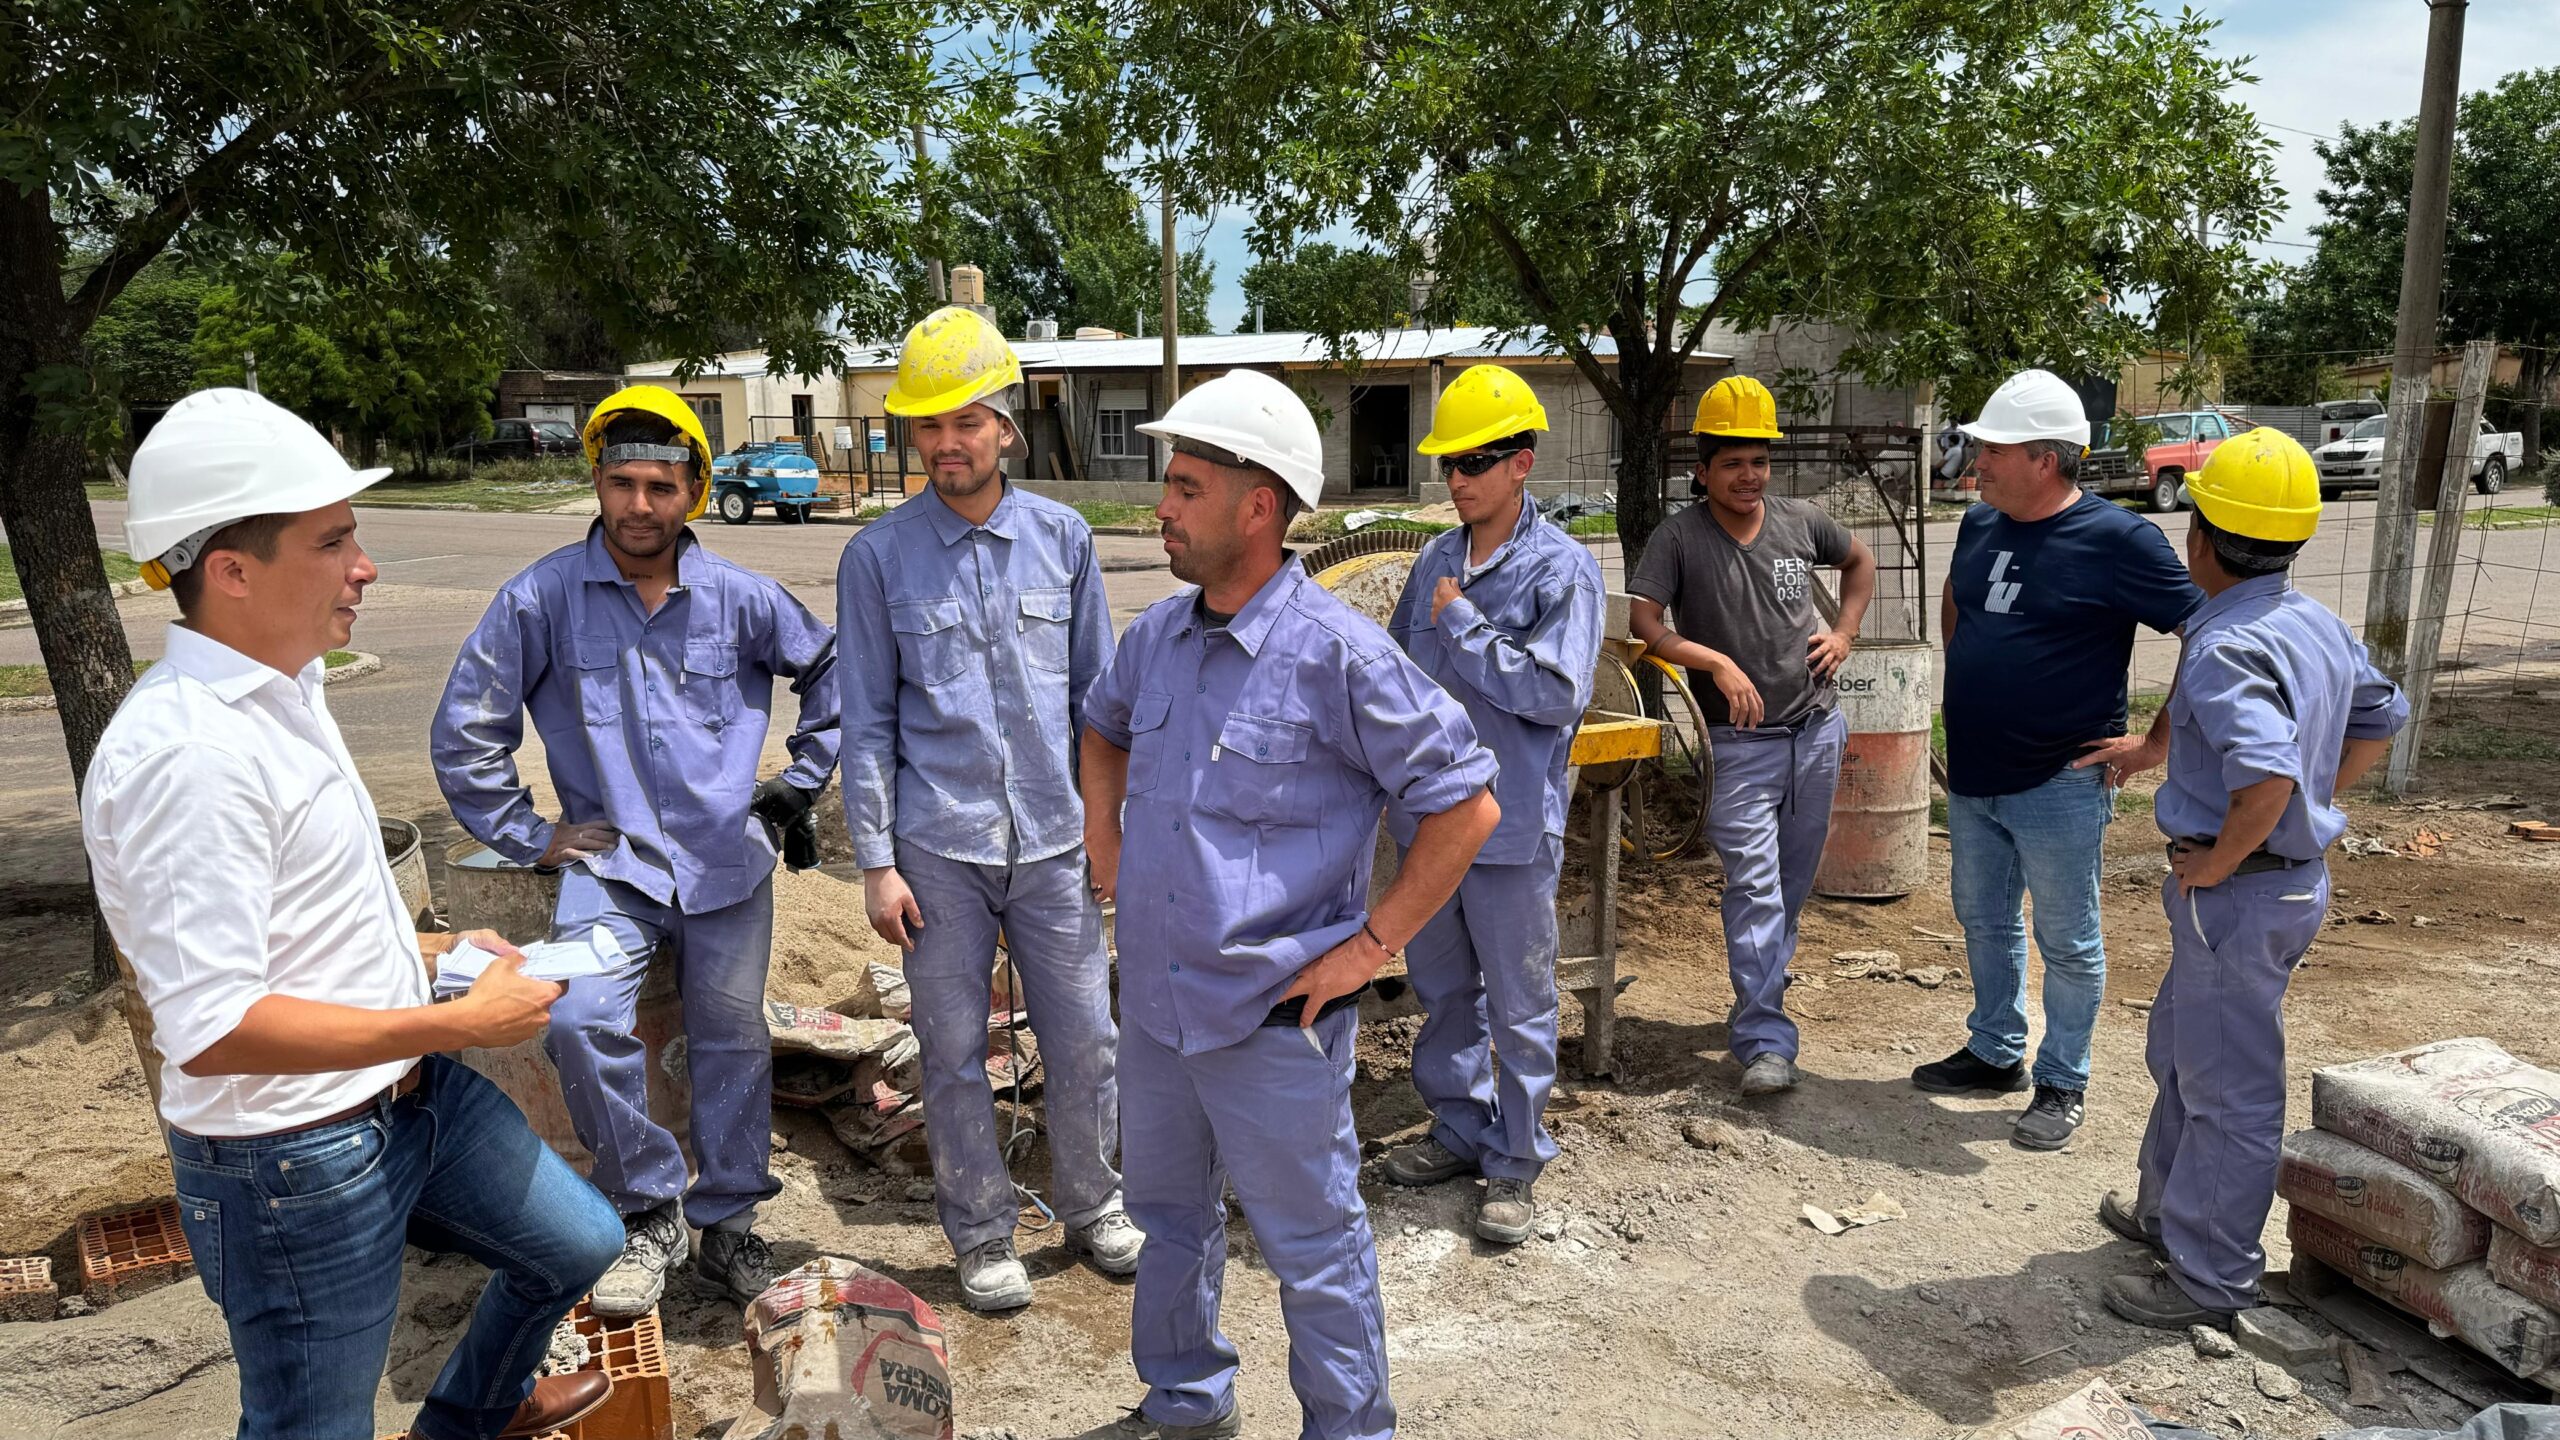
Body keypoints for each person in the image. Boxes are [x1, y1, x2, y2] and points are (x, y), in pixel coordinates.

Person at [82, 388, 625, 1440]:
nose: (365, 567)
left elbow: (293, 915)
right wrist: (461, 1022)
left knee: (575, 1244)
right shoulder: (190, 758)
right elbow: (215, 1026)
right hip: (291, 1164)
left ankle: (470, 1417)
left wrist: (427, 948)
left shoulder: (286, 690)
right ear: (232, 574)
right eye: (333, 544)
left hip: (407, 1104)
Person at [1079, 369, 1501, 1440]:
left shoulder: (1340, 656)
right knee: (1169, 1222)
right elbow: (1104, 726)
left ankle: (1350, 1430)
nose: (1159, 509)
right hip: (1162, 1008)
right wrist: (1106, 841)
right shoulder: (1157, 639)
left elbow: (1464, 808)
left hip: (1276, 1019)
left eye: (1183, 487)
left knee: (1311, 1247)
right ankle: (1185, 1400)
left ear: (1256, 507)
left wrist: (1371, 945)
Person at [431, 384, 841, 1317]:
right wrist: (530, 835)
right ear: (599, 483)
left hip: (728, 868)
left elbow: (832, 671)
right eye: (623, 483)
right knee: (578, 1021)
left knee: (735, 1041)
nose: (641, 505)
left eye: (662, 485)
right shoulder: (540, 599)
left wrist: (799, 783)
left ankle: (730, 1224)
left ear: (695, 489)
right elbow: (466, 727)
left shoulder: (738, 598)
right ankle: (648, 1209)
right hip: (610, 875)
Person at [836, 306, 1138, 1312]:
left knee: (1086, 1035)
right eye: (928, 426)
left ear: (1003, 424)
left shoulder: (1064, 539)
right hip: (937, 852)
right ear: (910, 436)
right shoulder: (877, 559)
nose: (947, 442)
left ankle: (1094, 1205)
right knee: (954, 1051)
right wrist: (875, 861)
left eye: (966, 421)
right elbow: (867, 719)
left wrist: (1106, 831)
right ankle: (981, 1234)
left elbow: (1098, 704)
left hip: (1052, 843)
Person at [2093, 429, 2406, 1330]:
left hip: (2239, 893)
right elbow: (2384, 718)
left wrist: (2226, 855)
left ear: (2199, 537)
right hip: (2270, 887)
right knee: (2182, 1053)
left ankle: (2209, 1277)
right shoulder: (2308, 622)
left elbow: (2265, 779)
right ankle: (2166, 1215)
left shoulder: (2228, 645)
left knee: (2228, 1088)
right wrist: (2307, 802)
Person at [1915, 368, 2202, 1151]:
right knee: (1983, 916)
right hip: (1977, 770)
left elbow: (2206, 633)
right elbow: (1957, 599)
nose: (1978, 461)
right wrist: (1972, 672)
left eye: (1993, 448)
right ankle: (1995, 1050)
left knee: (2068, 939)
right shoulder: (1980, 524)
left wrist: (2154, 744)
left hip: (2061, 780)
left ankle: (2063, 1079)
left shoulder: (2119, 539)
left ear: (2046, 458)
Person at [1375, 364, 1599, 1243]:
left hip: (1506, 828)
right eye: (1450, 464)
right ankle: (1460, 1131)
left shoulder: (1562, 572)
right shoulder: (1434, 557)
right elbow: (1393, 671)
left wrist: (1465, 625)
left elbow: (1555, 692)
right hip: (1428, 820)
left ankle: (1516, 1159)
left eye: (1476, 460)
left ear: (1522, 463)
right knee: (1443, 990)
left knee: (1518, 999)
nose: (1459, 479)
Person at [1629, 376, 1876, 1096]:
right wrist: (1714, 661)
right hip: (1738, 747)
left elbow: (1860, 564)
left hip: (1817, 732)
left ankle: (1757, 992)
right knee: (1756, 888)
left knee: (1791, 887)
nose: (1749, 476)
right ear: (1701, 470)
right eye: (1732, 462)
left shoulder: (1802, 522)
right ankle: (1766, 1037)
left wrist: (1845, 632)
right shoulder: (1679, 537)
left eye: (1760, 460)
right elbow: (1646, 623)